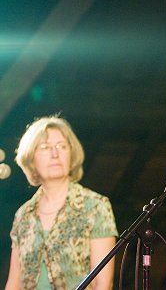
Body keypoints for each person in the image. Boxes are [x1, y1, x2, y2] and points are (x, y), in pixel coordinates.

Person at [5, 115, 118, 290]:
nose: (55, 153)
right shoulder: (23, 215)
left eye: (62, 146)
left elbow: (103, 284)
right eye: (45, 147)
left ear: (71, 154)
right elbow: (13, 283)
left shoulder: (95, 206)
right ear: (31, 158)